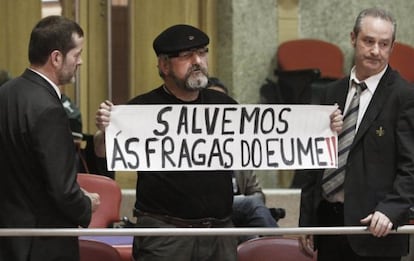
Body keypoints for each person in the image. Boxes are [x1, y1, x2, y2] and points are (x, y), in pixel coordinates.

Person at [95, 24, 342, 260]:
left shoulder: (225, 106)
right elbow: (103, 151)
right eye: (187, 55)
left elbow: (277, 140)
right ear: (164, 65)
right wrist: (106, 130)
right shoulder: (142, 108)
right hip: (165, 236)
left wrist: (321, 129)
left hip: (219, 232)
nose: (198, 62)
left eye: (202, 53)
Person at [298, 7, 414, 261]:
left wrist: (391, 209)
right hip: (328, 224)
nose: (375, 51)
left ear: (392, 48)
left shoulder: (404, 96)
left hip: (375, 228)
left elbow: (411, 166)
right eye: (368, 41)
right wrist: (306, 220)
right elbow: (312, 160)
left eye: (384, 44)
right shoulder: (329, 92)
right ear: (353, 38)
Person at [0, 15, 100, 261]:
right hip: (43, 242)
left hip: (9, 238)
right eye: (77, 54)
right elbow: (62, 190)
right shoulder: (49, 109)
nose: (81, 61)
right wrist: (87, 204)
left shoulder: (5, 93)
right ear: (56, 58)